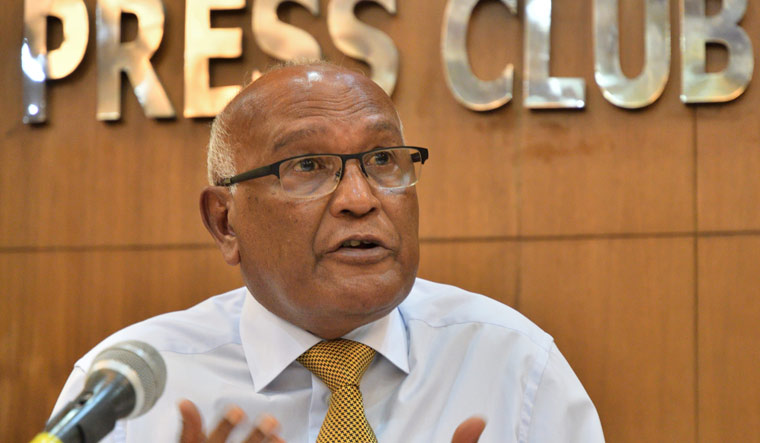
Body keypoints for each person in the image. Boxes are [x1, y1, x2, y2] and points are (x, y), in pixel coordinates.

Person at [50, 62, 605, 442]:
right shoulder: (126, 388)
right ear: (225, 222)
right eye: (307, 167)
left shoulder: (515, 364)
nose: (360, 199)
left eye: (384, 159)